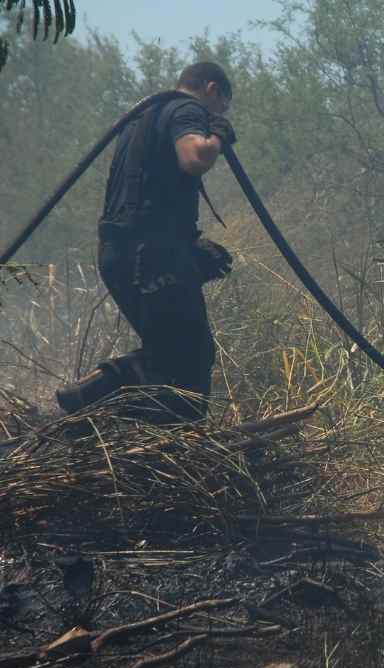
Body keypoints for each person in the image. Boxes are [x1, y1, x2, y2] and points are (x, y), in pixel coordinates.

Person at [55, 62, 237, 423]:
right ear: (212, 89)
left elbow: (144, 199)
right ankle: (103, 388)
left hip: (121, 254)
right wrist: (217, 134)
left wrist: (187, 249)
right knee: (192, 359)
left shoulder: (143, 119)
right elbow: (195, 158)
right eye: (222, 106)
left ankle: (98, 426)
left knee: (174, 359)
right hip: (152, 257)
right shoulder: (187, 109)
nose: (218, 115)